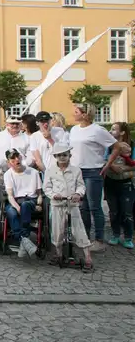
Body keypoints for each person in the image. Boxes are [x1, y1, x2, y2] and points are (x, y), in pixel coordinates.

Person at [69, 103, 120, 252]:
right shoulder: (74, 129)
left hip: (92, 171)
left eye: (76, 111)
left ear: (85, 114)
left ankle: (99, 239)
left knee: (94, 206)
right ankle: (84, 237)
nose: (74, 114)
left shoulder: (98, 130)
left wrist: (108, 163)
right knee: (83, 207)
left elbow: (116, 146)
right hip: (77, 172)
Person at [43, 143, 93, 272]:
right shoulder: (50, 171)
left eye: (64, 155)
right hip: (57, 205)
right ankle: (58, 254)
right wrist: (54, 195)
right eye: (59, 155)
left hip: (72, 205)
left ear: (69, 155)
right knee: (57, 231)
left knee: (78, 230)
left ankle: (88, 258)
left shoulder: (76, 170)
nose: (62, 157)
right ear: (55, 156)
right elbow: (46, 188)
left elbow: (81, 185)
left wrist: (78, 194)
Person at [3, 149, 43, 258]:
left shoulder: (33, 172)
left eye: (18, 156)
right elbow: (10, 196)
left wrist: (39, 204)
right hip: (15, 200)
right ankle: (24, 240)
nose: (16, 160)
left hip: (30, 200)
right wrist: (17, 207)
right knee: (11, 212)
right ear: (8, 162)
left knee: (25, 206)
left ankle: (23, 239)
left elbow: (39, 193)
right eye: (13, 158)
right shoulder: (8, 174)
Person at [104, 122, 135, 249]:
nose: (110, 131)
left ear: (122, 132)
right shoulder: (109, 146)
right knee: (114, 211)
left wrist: (123, 169)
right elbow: (103, 159)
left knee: (127, 212)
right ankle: (115, 234)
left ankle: (128, 237)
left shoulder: (132, 145)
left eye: (114, 129)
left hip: (126, 183)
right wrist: (112, 165)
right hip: (111, 181)